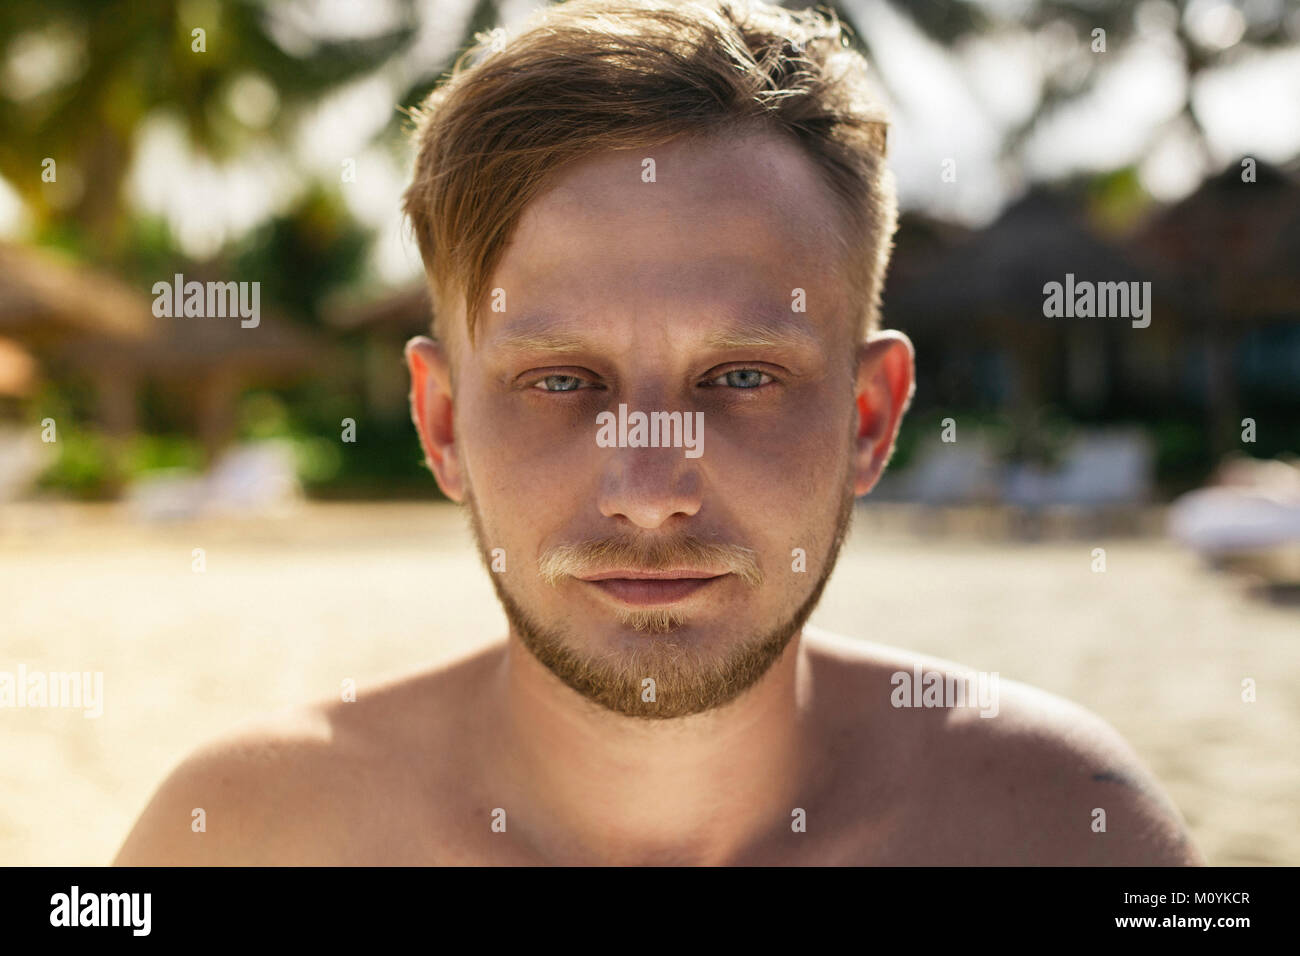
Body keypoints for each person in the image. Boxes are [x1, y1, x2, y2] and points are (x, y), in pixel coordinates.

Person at [114, 0, 1202, 866]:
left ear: (869, 416)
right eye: (562, 379)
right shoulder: (245, 834)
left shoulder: (1062, 828)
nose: (648, 487)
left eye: (740, 374)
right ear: (442, 422)